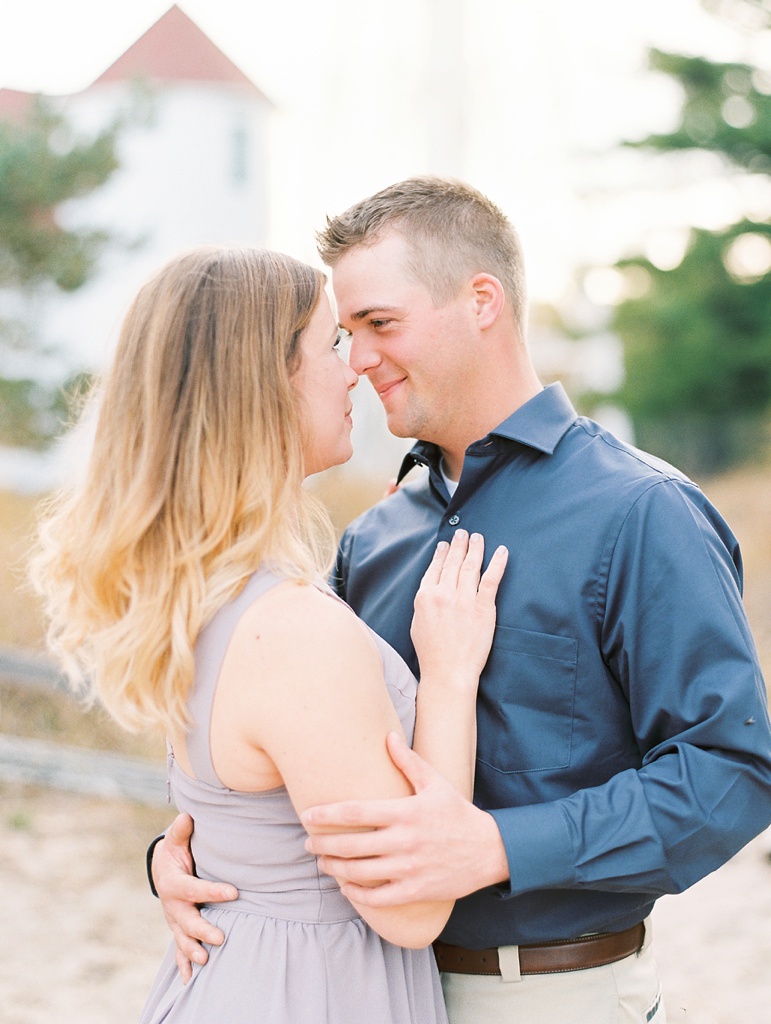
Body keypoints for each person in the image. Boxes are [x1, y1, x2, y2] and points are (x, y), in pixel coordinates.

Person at [150, 180, 771, 1024]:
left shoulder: (639, 513)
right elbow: (306, 763)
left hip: (550, 994)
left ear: (481, 301)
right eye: (344, 335)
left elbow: (730, 775)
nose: (359, 360)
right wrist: (178, 857)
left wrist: (498, 846)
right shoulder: (370, 537)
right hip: (364, 987)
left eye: (380, 325)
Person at [30, 244, 509, 1024]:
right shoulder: (291, 633)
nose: (354, 365)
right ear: (262, 386)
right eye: (328, 343)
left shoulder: (197, 594)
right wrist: (449, 675)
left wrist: (167, 862)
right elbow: (411, 908)